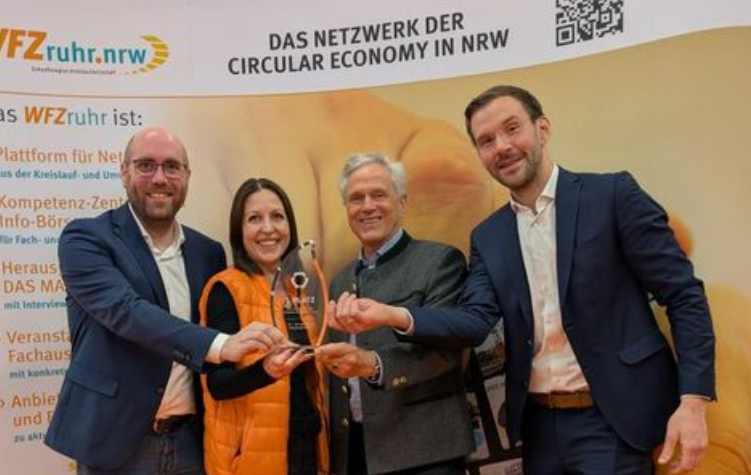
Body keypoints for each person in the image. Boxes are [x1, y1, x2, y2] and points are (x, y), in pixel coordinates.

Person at [328, 86, 716, 475]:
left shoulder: (612, 195)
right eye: (486, 141)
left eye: (512, 129)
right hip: (540, 428)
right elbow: (474, 321)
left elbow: (683, 295)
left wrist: (693, 400)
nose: (502, 147)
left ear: (542, 129)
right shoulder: (488, 236)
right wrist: (391, 314)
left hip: (614, 420)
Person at [44, 127, 285, 475]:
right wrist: (220, 344)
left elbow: (215, 368)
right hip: (116, 443)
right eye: (146, 165)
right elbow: (126, 312)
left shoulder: (208, 252)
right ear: (124, 172)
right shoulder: (85, 238)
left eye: (172, 166)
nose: (160, 178)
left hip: (191, 442)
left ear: (187, 176)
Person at [315, 153, 474, 475]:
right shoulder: (339, 281)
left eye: (379, 194)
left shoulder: (439, 262)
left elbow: (446, 352)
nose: (367, 206)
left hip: (427, 454)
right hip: (356, 454)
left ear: (401, 203)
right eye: (356, 198)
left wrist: (372, 365)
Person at [198, 178, 328, 475]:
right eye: (254, 218)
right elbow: (217, 385)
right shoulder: (226, 289)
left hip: (305, 447)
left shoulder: (297, 290)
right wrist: (265, 371)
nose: (268, 228)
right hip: (251, 459)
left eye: (277, 216)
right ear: (239, 230)